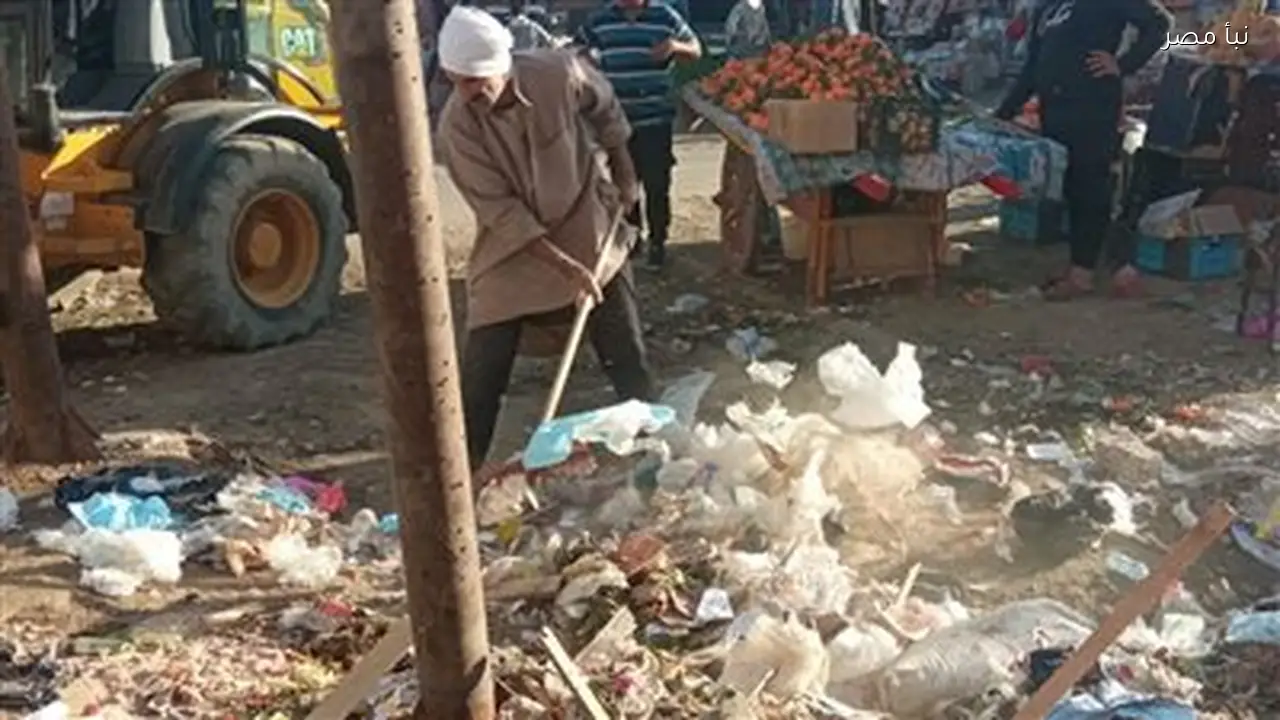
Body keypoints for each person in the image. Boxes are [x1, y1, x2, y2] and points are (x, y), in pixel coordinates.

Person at [435, 7, 655, 470]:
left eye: (476, 82)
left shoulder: (558, 72)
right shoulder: (457, 127)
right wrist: (566, 269)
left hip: (586, 223)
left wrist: (625, 172)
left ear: (502, 65)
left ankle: (655, 455)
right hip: (513, 248)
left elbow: (607, 110)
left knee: (626, 352)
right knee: (481, 374)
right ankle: (462, 477)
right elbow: (503, 213)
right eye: (457, 82)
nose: (468, 94)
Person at [995, 0, 1171, 299]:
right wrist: (1004, 112)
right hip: (1055, 110)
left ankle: (1085, 274)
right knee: (1072, 188)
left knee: (1090, 185)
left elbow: (1159, 24)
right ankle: (1098, 266)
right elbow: (1033, 66)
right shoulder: (1047, 8)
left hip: (1092, 106)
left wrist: (1124, 63)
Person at [578, 0, 701, 269]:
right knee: (624, 179)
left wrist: (675, 47)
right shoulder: (600, 19)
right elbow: (578, 48)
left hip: (655, 116)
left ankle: (659, 241)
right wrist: (586, 60)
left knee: (657, 181)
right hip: (616, 119)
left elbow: (696, 49)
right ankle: (632, 239)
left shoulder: (664, 15)